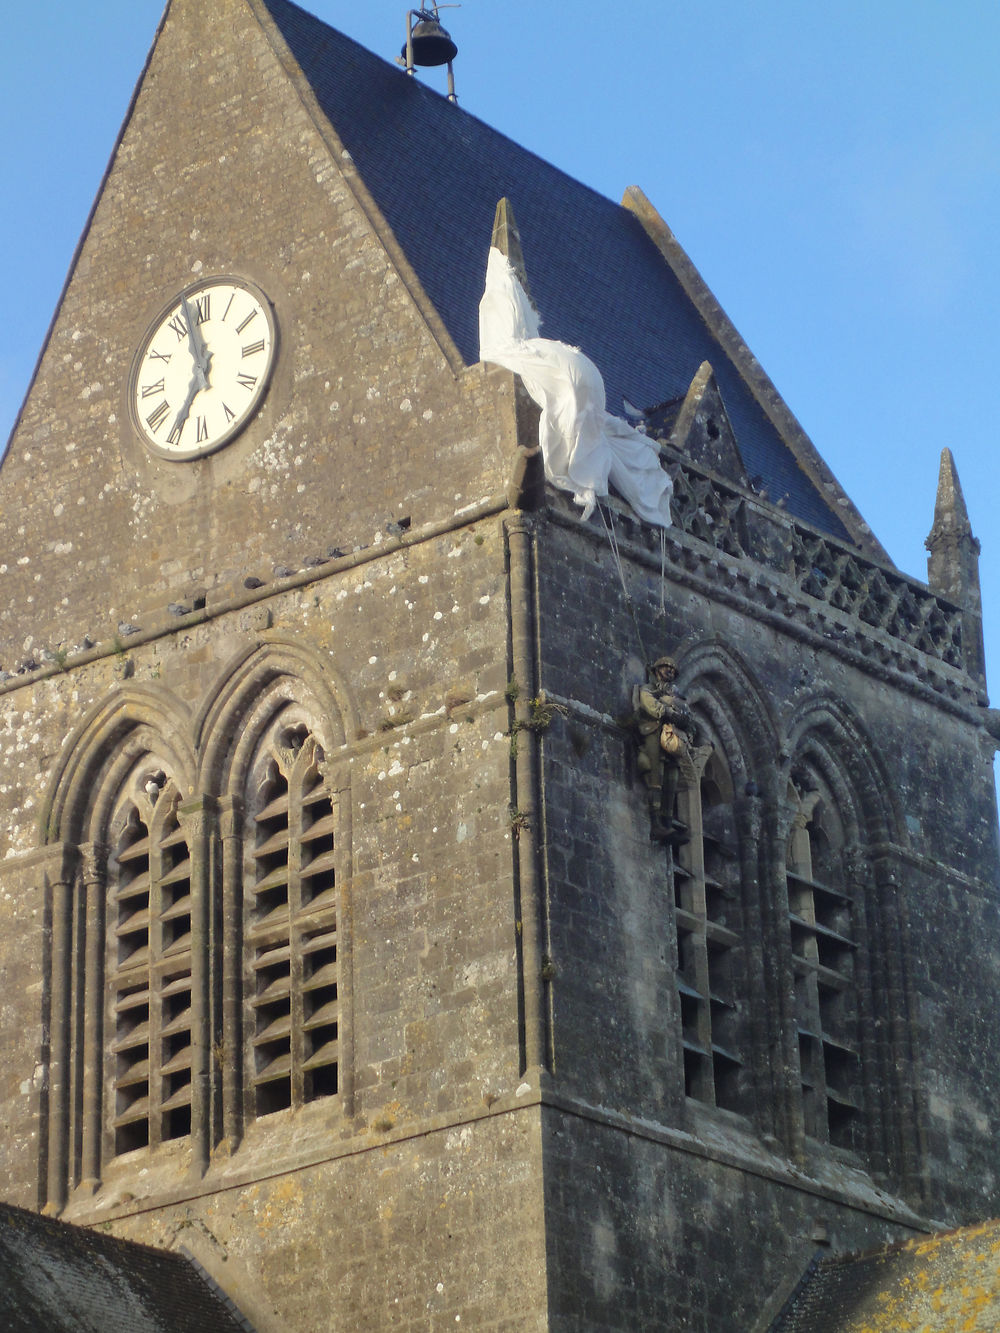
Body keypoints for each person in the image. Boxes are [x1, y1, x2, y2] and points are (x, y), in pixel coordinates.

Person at [633, 656, 697, 846]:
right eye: (665, 667)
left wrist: (687, 728)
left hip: (672, 738)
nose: (669, 671)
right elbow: (651, 707)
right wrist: (669, 712)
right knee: (656, 777)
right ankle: (656, 825)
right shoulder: (648, 690)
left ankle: (667, 825)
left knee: (672, 780)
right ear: (656, 670)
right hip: (653, 732)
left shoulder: (678, 697)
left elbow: (689, 719)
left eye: (672, 669)